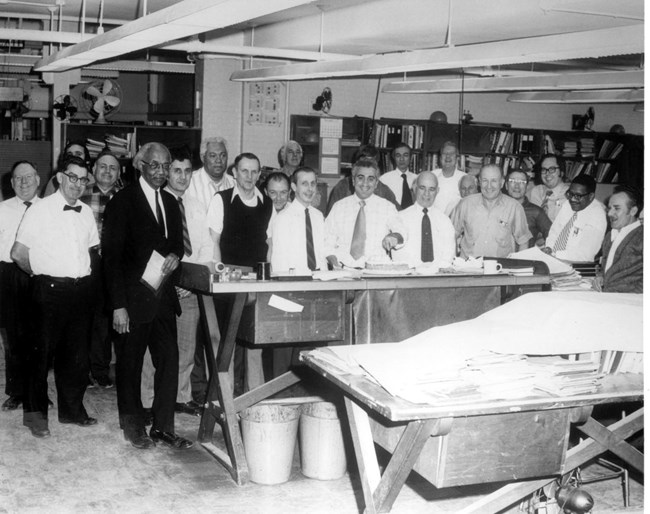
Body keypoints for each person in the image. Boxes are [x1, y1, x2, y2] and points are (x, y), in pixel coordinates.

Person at [102, 142, 192, 450]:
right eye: (155, 165)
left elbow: (177, 245)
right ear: (141, 165)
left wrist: (175, 257)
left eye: (166, 166)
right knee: (129, 363)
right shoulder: (122, 201)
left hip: (163, 298)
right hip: (132, 301)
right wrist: (118, 306)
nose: (161, 172)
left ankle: (164, 427)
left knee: (169, 361)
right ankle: (133, 427)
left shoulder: (170, 201)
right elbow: (111, 259)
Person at [11, 155, 99, 438]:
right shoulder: (40, 210)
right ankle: (35, 418)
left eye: (83, 179)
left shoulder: (86, 212)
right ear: (60, 177)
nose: (77, 184)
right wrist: (39, 275)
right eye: (72, 177)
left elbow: (92, 252)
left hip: (79, 291)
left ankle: (72, 411)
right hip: (48, 291)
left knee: (76, 357)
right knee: (40, 356)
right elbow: (18, 252)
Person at [141, 146, 214, 419]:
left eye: (186, 171)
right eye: (176, 170)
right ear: (166, 171)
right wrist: (173, 279)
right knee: (153, 350)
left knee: (186, 348)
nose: (182, 177)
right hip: (162, 287)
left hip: (191, 287)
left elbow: (205, 246)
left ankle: (181, 397)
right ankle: (147, 401)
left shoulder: (195, 205)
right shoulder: (157, 203)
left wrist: (193, 279)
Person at [207, 152, 273, 391]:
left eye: (254, 171)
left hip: (257, 281)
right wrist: (220, 278)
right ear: (234, 173)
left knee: (255, 341)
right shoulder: (221, 199)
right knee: (227, 343)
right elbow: (213, 241)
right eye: (244, 171)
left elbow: (270, 244)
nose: (250, 176)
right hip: (229, 279)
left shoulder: (267, 203)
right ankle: (222, 396)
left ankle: (255, 397)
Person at [0, 161, 41, 411]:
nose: (24, 182)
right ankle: (16, 391)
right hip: (9, 275)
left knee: (39, 336)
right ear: (11, 183)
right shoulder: (2, 209)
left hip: (40, 274)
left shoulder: (49, 208)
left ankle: (37, 392)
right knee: (14, 336)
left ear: (38, 179)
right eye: (18, 179)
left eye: (28, 177)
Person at [80, 150, 122, 389]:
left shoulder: (125, 197)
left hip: (113, 266)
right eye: (102, 166)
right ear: (94, 170)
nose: (107, 171)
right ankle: (82, 370)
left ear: (118, 173)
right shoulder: (82, 194)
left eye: (113, 168)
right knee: (83, 319)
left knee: (105, 321)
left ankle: (100, 370)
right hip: (86, 262)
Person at [325, 158, 402, 267]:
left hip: (375, 270)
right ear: (353, 180)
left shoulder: (387, 207)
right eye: (360, 178)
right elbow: (327, 242)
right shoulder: (339, 207)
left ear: (376, 183)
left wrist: (394, 237)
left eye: (371, 179)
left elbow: (401, 231)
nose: (365, 183)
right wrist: (334, 264)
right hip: (343, 269)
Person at [450, 164, 531, 258]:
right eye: (485, 180)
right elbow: (450, 235)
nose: (489, 186)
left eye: (494, 181)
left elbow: (523, 241)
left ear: (502, 182)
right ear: (479, 182)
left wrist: (518, 267)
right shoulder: (465, 204)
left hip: (500, 269)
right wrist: (453, 262)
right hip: (468, 268)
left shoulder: (514, 207)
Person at [383, 171, 456, 267]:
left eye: (432, 189)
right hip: (407, 277)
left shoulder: (445, 221)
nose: (427, 193)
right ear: (414, 188)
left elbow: (448, 257)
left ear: (437, 191)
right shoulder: (399, 218)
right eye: (422, 188)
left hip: (437, 276)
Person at [268, 167, 327, 272]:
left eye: (313, 184)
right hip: (295, 279)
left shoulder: (318, 216)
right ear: (294, 187)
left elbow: (321, 253)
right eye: (304, 184)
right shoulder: (283, 218)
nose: (310, 189)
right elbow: (278, 260)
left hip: (319, 278)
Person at [542, 175, 606, 262]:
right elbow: (555, 231)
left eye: (578, 196)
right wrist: (549, 248)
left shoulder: (597, 216)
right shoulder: (568, 204)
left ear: (591, 196)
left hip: (577, 266)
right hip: (554, 258)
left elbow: (585, 255)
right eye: (570, 194)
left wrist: (554, 254)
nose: (572, 199)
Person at [325, 144, 398, 215]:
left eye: (372, 163)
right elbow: (331, 216)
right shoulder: (342, 187)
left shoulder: (384, 190)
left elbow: (399, 214)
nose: (367, 166)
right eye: (363, 162)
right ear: (356, 164)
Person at [598, 186, 642, 293]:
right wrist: (600, 278)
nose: (609, 213)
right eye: (609, 208)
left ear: (633, 211)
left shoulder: (642, 237)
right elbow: (606, 269)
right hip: (607, 298)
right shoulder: (610, 235)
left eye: (616, 208)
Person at [185, 136, 235, 215]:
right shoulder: (189, 183)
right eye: (213, 156)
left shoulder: (234, 184)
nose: (218, 160)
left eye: (223, 155)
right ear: (202, 158)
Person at [505, 169, 552, 246]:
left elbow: (552, 234)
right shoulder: (498, 208)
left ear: (527, 187)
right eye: (512, 181)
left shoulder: (536, 211)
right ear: (506, 185)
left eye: (522, 182)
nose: (517, 186)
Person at [527, 154, 569, 222]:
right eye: (544, 170)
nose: (547, 173)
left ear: (561, 172)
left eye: (552, 169)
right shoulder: (536, 191)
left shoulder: (570, 194)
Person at [379, 143, 416, 210]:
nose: (402, 159)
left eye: (405, 155)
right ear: (394, 158)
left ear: (411, 157)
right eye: (398, 155)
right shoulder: (384, 179)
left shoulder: (417, 179)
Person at [432, 141, 465, 215]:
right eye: (445, 153)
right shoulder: (432, 176)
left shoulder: (465, 178)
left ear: (457, 158)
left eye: (451, 154)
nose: (448, 156)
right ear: (440, 158)